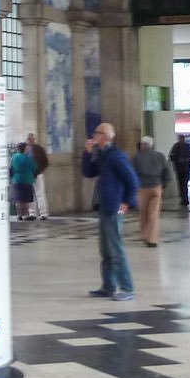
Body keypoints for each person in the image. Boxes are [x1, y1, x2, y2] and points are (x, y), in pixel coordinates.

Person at [80, 122, 138, 300]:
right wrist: (87, 153)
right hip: (104, 206)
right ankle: (108, 286)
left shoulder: (115, 156)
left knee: (115, 248)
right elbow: (88, 173)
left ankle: (127, 289)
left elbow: (133, 181)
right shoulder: (103, 155)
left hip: (115, 207)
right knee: (105, 249)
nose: (93, 136)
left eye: (96, 133)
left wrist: (126, 203)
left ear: (104, 136)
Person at [132, 136, 169, 247]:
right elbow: (167, 172)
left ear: (143, 145)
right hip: (156, 187)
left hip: (142, 188)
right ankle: (152, 239)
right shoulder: (160, 156)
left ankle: (144, 235)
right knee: (153, 213)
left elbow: (131, 173)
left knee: (143, 213)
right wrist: (163, 185)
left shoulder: (137, 157)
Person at [9, 143, 38, 220]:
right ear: (25, 149)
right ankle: (26, 215)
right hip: (27, 180)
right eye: (27, 148)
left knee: (18, 199)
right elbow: (34, 168)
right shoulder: (28, 158)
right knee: (26, 199)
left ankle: (19, 215)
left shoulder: (14, 157)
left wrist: (12, 177)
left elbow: (11, 168)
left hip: (16, 180)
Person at [26, 133, 51, 219]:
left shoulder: (39, 149)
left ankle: (43, 213)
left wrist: (40, 170)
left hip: (38, 174)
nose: (30, 140)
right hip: (28, 175)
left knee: (40, 194)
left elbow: (45, 162)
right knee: (30, 194)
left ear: (34, 139)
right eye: (29, 139)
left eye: (31, 139)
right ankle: (32, 213)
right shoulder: (25, 150)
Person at [168, 134, 190, 208]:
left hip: (185, 168)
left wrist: (185, 160)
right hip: (179, 168)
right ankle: (182, 198)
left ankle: (185, 199)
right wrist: (176, 159)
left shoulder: (187, 147)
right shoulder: (176, 147)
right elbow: (171, 156)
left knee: (184, 184)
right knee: (180, 184)